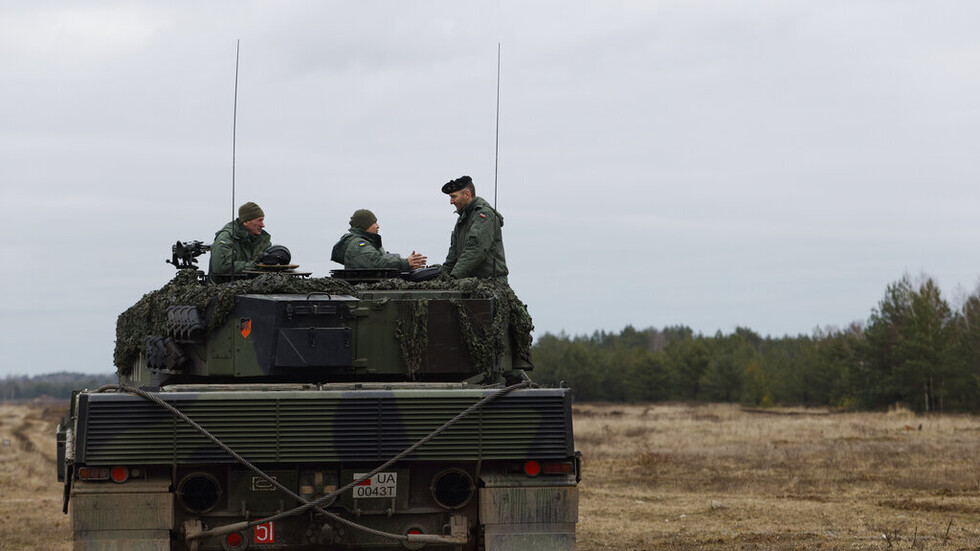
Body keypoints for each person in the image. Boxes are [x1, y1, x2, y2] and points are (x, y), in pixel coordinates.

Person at [441, 175, 508, 281]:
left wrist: (454, 276)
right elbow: (453, 255)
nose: (451, 202)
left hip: (489, 284)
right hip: (468, 281)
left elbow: (476, 249)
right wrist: (442, 276)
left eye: (454, 197)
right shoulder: (462, 219)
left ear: (467, 194)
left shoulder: (483, 215)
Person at [331, 209, 427, 270]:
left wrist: (407, 265)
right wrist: (406, 263)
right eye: (374, 223)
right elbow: (377, 264)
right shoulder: (359, 245)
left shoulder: (365, 242)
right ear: (365, 225)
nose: (378, 226)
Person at [208, 201, 272, 282]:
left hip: (254, 288)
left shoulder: (263, 241)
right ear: (245, 222)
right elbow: (222, 267)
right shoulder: (226, 237)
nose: (263, 225)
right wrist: (254, 266)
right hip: (223, 289)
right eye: (259, 220)